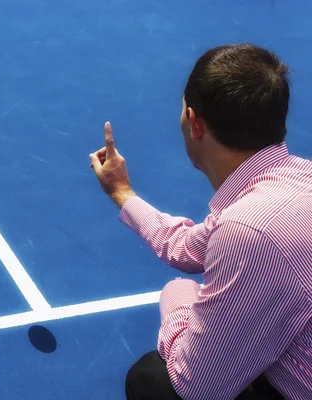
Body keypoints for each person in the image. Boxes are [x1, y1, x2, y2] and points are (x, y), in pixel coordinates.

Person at [89, 44, 312, 400]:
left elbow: (198, 385)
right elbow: (187, 245)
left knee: (152, 381)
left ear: (195, 124)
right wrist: (122, 192)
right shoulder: (293, 185)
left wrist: (178, 299)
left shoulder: (249, 230)